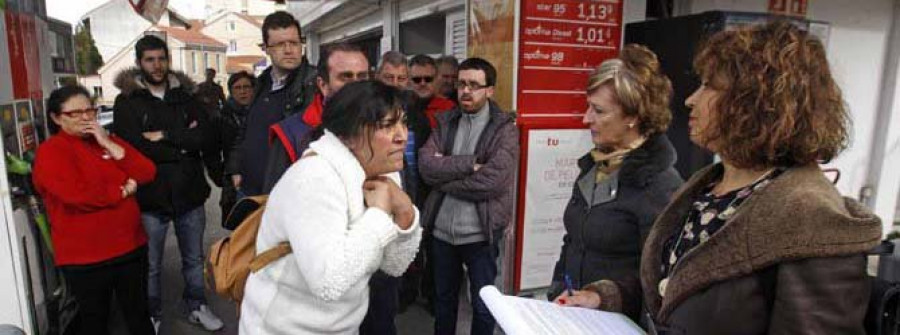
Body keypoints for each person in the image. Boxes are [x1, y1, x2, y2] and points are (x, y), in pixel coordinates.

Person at [557, 22, 883, 334]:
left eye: (709, 86)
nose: (690, 99)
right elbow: (673, 290)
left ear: (757, 102)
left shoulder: (812, 219)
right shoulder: (707, 187)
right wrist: (606, 296)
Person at [239, 80, 422, 334]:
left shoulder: (383, 173)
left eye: (403, 123)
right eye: (387, 126)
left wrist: (405, 213)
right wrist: (379, 216)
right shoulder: (314, 178)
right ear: (347, 137)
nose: (402, 136)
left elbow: (393, 265)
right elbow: (329, 281)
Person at [547, 44, 683, 321]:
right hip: (575, 316)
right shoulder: (595, 166)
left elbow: (661, 279)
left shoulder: (660, 185)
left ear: (632, 117)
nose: (586, 118)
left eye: (598, 110)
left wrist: (601, 297)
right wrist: (557, 290)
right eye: (588, 107)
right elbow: (573, 241)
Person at [112, 35, 224, 332]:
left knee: (193, 257)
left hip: (189, 191)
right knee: (150, 264)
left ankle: (197, 306)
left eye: (161, 58)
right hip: (150, 196)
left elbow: (207, 136)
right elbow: (132, 148)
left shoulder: (187, 96)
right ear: (139, 63)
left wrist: (163, 136)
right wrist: (184, 142)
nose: (157, 65)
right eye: (150, 59)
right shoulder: (127, 102)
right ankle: (152, 313)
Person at [34, 85, 156, 335]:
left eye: (90, 110)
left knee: (139, 317)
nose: (86, 117)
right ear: (56, 118)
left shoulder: (105, 140)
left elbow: (146, 172)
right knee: (95, 323)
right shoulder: (51, 151)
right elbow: (77, 195)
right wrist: (122, 190)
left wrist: (108, 143)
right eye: (75, 113)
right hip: (86, 259)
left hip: (130, 248)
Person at [419, 58, 519, 335]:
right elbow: (427, 166)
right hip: (441, 234)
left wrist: (444, 179)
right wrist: (468, 165)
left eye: (474, 85)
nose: (465, 91)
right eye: (462, 83)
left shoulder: (504, 130)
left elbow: (492, 181)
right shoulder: (446, 122)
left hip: (480, 235)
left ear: (489, 90)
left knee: (484, 304)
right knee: (443, 302)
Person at [262, 43, 369, 194]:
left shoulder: (385, 126)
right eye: (346, 77)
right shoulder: (291, 134)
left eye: (362, 77)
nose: (356, 85)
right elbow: (273, 203)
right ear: (323, 84)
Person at [237, 11, 317, 196]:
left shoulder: (315, 85)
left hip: (286, 195)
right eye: (281, 44)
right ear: (266, 48)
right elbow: (245, 131)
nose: (289, 50)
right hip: (249, 191)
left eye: (294, 43)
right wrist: (235, 169)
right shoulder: (260, 84)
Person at [218, 71, 255, 224]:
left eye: (246, 87)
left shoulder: (262, 111)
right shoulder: (222, 116)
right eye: (237, 88)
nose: (243, 91)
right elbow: (213, 150)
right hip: (234, 179)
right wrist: (222, 175)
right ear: (231, 91)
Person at [408, 54, 456, 128]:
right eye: (417, 79)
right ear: (409, 81)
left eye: (428, 79)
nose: (422, 83)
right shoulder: (400, 107)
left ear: (436, 79)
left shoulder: (449, 109)